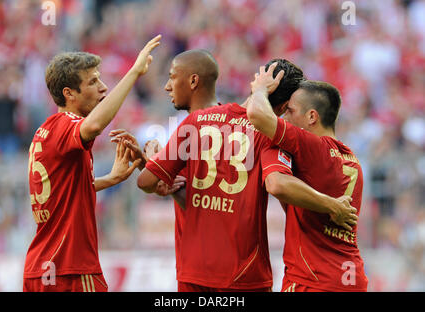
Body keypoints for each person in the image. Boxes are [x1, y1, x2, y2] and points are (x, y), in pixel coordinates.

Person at [136, 59, 358, 292]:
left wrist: (156, 169)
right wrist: (331, 205)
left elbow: (148, 182)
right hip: (246, 273)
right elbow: (279, 186)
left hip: (193, 270)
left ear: (257, 81)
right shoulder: (271, 140)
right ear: (283, 107)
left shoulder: (197, 121)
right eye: (290, 110)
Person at [23, 35, 161, 292]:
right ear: (69, 94)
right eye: (93, 82)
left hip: (40, 269)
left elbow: (60, 192)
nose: (103, 88)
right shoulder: (67, 127)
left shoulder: (45, 131)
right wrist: (134, 72)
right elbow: (95, 126)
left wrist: (110, 179)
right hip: (70, 269)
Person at [246, 66, 368, 291]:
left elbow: (257, 115)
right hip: (350, 277)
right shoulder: (352, 161)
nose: (284, 116)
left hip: (314, 278)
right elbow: (302, 209)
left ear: (312, 116)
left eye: (290, 111)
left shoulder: (313, 147)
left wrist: (260, 90)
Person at [110, 49, 220, 284]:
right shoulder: (234, 126)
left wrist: (148, 164)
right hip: (235, 264)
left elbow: (188, 203)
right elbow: (196, 199)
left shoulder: (189, 130)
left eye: (172, 77)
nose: (167, 87)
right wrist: (150, 165)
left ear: (193, 81)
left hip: (200, 266)